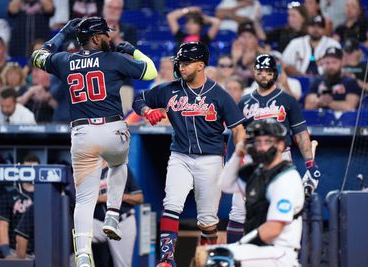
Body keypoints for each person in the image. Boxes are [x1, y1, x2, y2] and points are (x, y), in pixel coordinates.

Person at [30, 17, 157, 267]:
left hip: (82, 134)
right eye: (106, 35)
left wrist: (64, 33)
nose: (110, 38)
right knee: (119, 165)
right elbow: (150, 71)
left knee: (85, 200)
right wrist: (132, 50)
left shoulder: (65, 60)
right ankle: (112, 214)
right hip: (113, 129)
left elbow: (37, 56)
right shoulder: (114, 59)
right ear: (97, 38)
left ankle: (83, 255)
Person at [132, 41, 246, 267]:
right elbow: (139, 99)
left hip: (211, 159)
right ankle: (167, 260)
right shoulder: (170, 89)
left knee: (207, 222)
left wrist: (239, 157)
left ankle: (205, 261)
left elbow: (238, 128)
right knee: (171, 204)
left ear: (201, 65)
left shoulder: (218, 94)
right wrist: (147, 110)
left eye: (186, 63)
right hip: (180, 156)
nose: (181, 67)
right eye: (180, 63)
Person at [225, 54, 319, 244]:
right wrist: (233, 162)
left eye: (269, 72)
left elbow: (300, 133)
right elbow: (236, 134)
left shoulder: (288, 100)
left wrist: (310, 163)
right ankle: (234, 254)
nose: (264, 75)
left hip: (280, 159)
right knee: (238, 211)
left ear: (275, 74)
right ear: (254, 73)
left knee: (279, 208)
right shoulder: (244, 101)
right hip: (251, 159)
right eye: (260, 71)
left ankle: (281, 255)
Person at [198, 119, 305, 267]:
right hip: (259, 249)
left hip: (280, 253)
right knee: (202, 257)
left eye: (268, 141)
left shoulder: (286, 178)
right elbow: (225, 184)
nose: (262, 147)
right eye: (258, 142)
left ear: (281, 144)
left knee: (218, 259)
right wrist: (238, 153)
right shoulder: (257, 173)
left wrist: (238, 246)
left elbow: (273, 229)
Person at [92, 164, 143, 267]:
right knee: (75, 238)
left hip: (121, 222)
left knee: (122, 265)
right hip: (97, 223)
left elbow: (139, 198)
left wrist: (123, 196)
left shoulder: (121, 169)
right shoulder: (88, 172)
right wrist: (102, 198)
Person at [0, 154, 38, 259]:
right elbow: (2, 226)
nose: (29, 172)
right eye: (26, 168)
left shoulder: (47, 196)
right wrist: (6, 253)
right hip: (16, 251)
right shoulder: (10, 194)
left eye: (33, 168)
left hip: (41, 250)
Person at [305, 47, 361, 111]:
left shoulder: (350, 82)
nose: (331, 66)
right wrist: (320, 101)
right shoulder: (318, 81)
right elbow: (308, 105)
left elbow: (350, 107)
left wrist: (328, 103)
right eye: (327, 63)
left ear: (342, 62)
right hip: (320, 118)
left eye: (334, 62)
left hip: (343, 119)